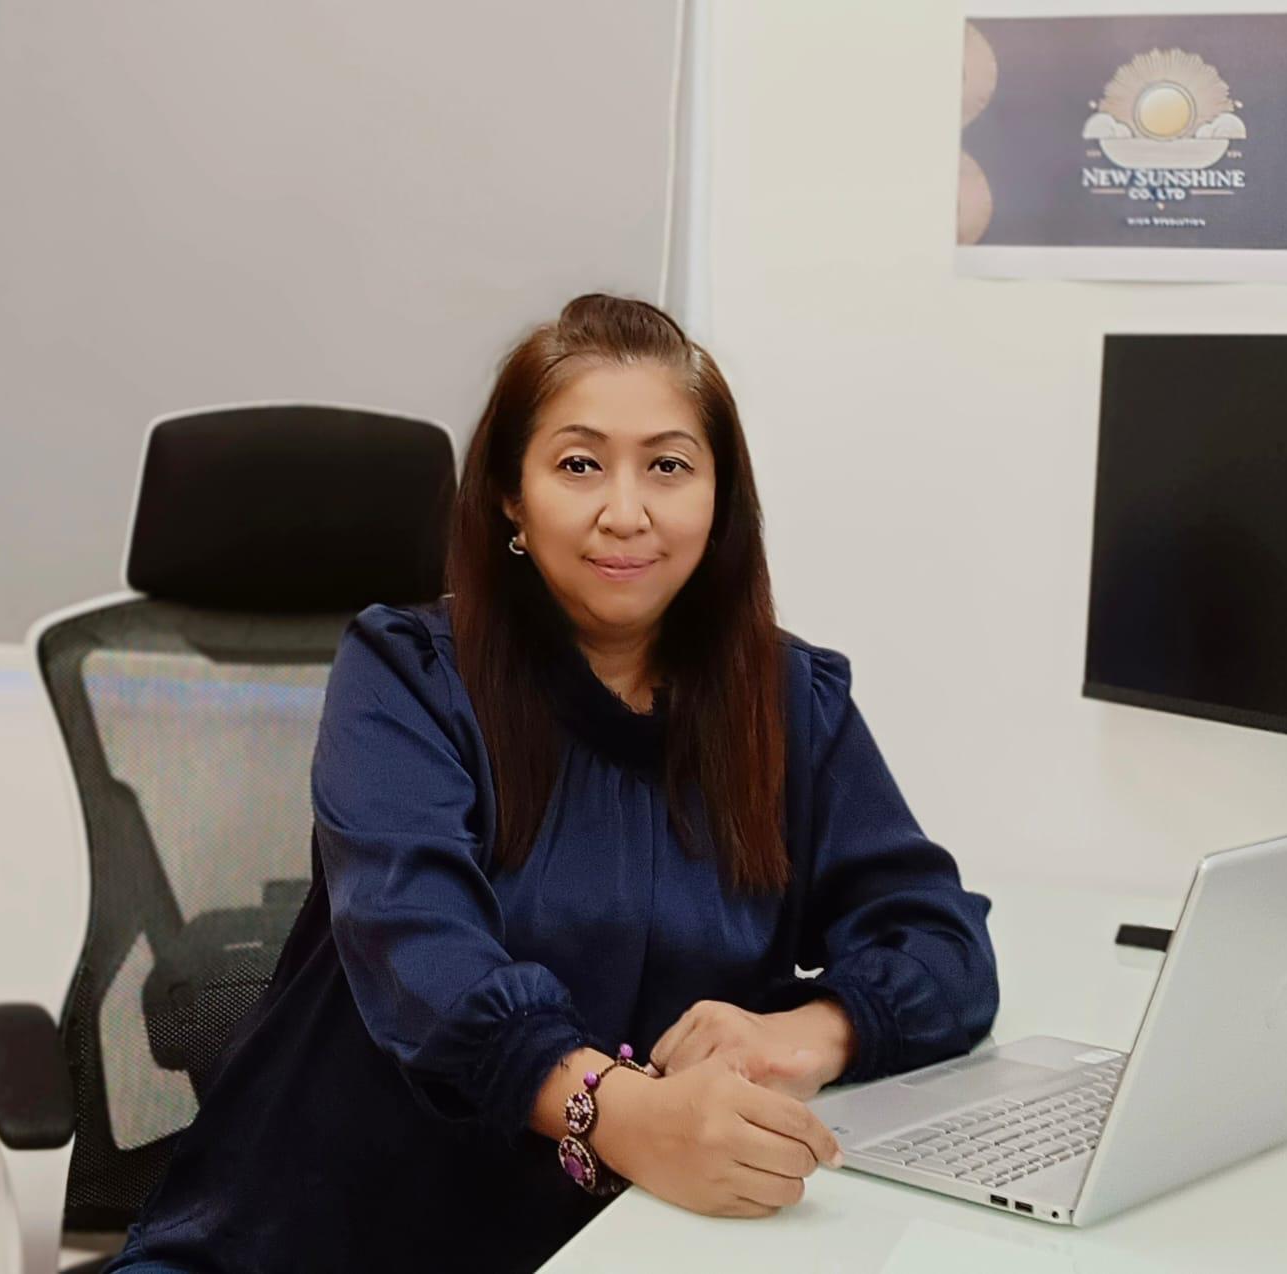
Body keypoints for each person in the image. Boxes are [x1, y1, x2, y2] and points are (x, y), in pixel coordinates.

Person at [105, 294, 999, 1273]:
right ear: (510, 497)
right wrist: (620, 1112)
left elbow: (942, 946)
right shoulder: (407, 675)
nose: (627, 511)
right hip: (336, 1231)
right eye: (579, 465)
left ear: (719, 496)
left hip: (646, 1240)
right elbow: (424, 952)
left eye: (668, 465)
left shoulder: (790, 701)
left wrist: (804, 1035)